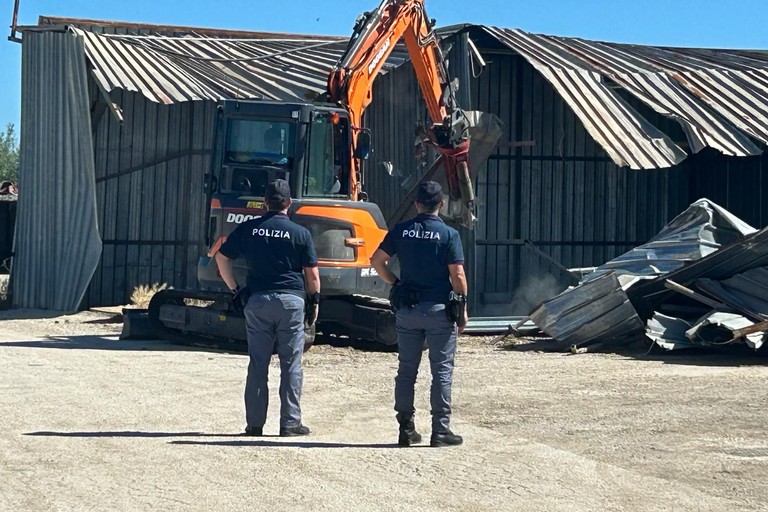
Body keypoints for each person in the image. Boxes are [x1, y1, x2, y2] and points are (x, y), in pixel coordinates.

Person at [215, 179, 320, 437]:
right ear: (289, 203)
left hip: (258, 301)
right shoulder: (300, 233)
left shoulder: (249, 228)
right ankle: (290, 423)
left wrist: (235, 289)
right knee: (291, 364)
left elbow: (221, 257)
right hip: (291, 302)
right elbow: (312, 275)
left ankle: (254, 425)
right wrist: (314, 301)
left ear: (265, 203)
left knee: (258, 363)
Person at [371, 181, 469, 448]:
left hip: (408, 309)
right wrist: (462, 309)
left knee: (406, 370)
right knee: (441, 371)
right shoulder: (449, 235)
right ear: (441, 205)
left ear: (416, 204)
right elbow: (457, 275)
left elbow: (376, 260)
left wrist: (395, 283)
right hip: (439, 311)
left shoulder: (402, 231)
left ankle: (406, 428)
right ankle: (441, 430)